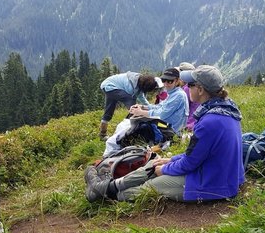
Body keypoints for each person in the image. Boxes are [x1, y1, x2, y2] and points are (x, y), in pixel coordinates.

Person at [85, 65, 244, 202]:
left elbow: (190, 163)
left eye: (190, 84)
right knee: (155, 165)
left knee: (150, 186)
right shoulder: (225, 110)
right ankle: (107, 186)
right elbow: (197, 154)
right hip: (222, 175)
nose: (186, 87)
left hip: (213, 184)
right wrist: (171, 159)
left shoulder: (209, 122)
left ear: (201, 89)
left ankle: (107, 193)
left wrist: (166, 168)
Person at [102, 67, 188, 157]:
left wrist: (141, 112)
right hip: (164, 126)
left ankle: (111, 154)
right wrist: (143, 107)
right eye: (164, 80)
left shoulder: (178, 96)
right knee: (130, 125)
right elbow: (160, 107)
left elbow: (162, 114)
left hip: (166, 130)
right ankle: (114, 151)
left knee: (133, 130)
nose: (166, 84)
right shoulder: (174, 93)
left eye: (169, 81)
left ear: (177, 81)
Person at [99, 72, 163, 140]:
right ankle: (132, 131)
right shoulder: (131, 85)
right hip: (110, 86)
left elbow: (141, 96)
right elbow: (131, 101)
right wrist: (143, 112)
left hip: (108, 86)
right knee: (133, 107)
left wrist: (148, 106)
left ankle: (102, 134)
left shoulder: (140, 81)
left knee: (109, 111)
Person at [178, 62, 201, 131]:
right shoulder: (195, 87)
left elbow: (182, 109)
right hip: (196, 123)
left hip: (189, 125)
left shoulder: (187, 88)